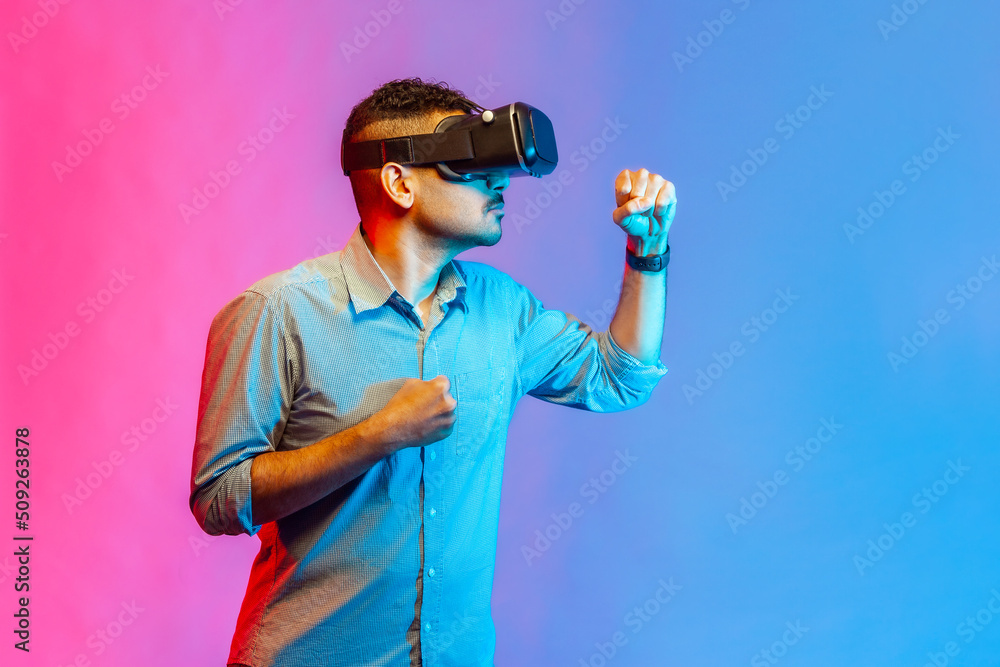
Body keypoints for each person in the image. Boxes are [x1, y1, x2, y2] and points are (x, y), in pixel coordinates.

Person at [189, 77, 676, 667]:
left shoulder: (503, 311)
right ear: (400, 182)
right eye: (471, 162)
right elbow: (219, 499)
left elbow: (617, 377)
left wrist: (647, 255)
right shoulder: (276, 312)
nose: (500, 182)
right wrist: (375, 436)